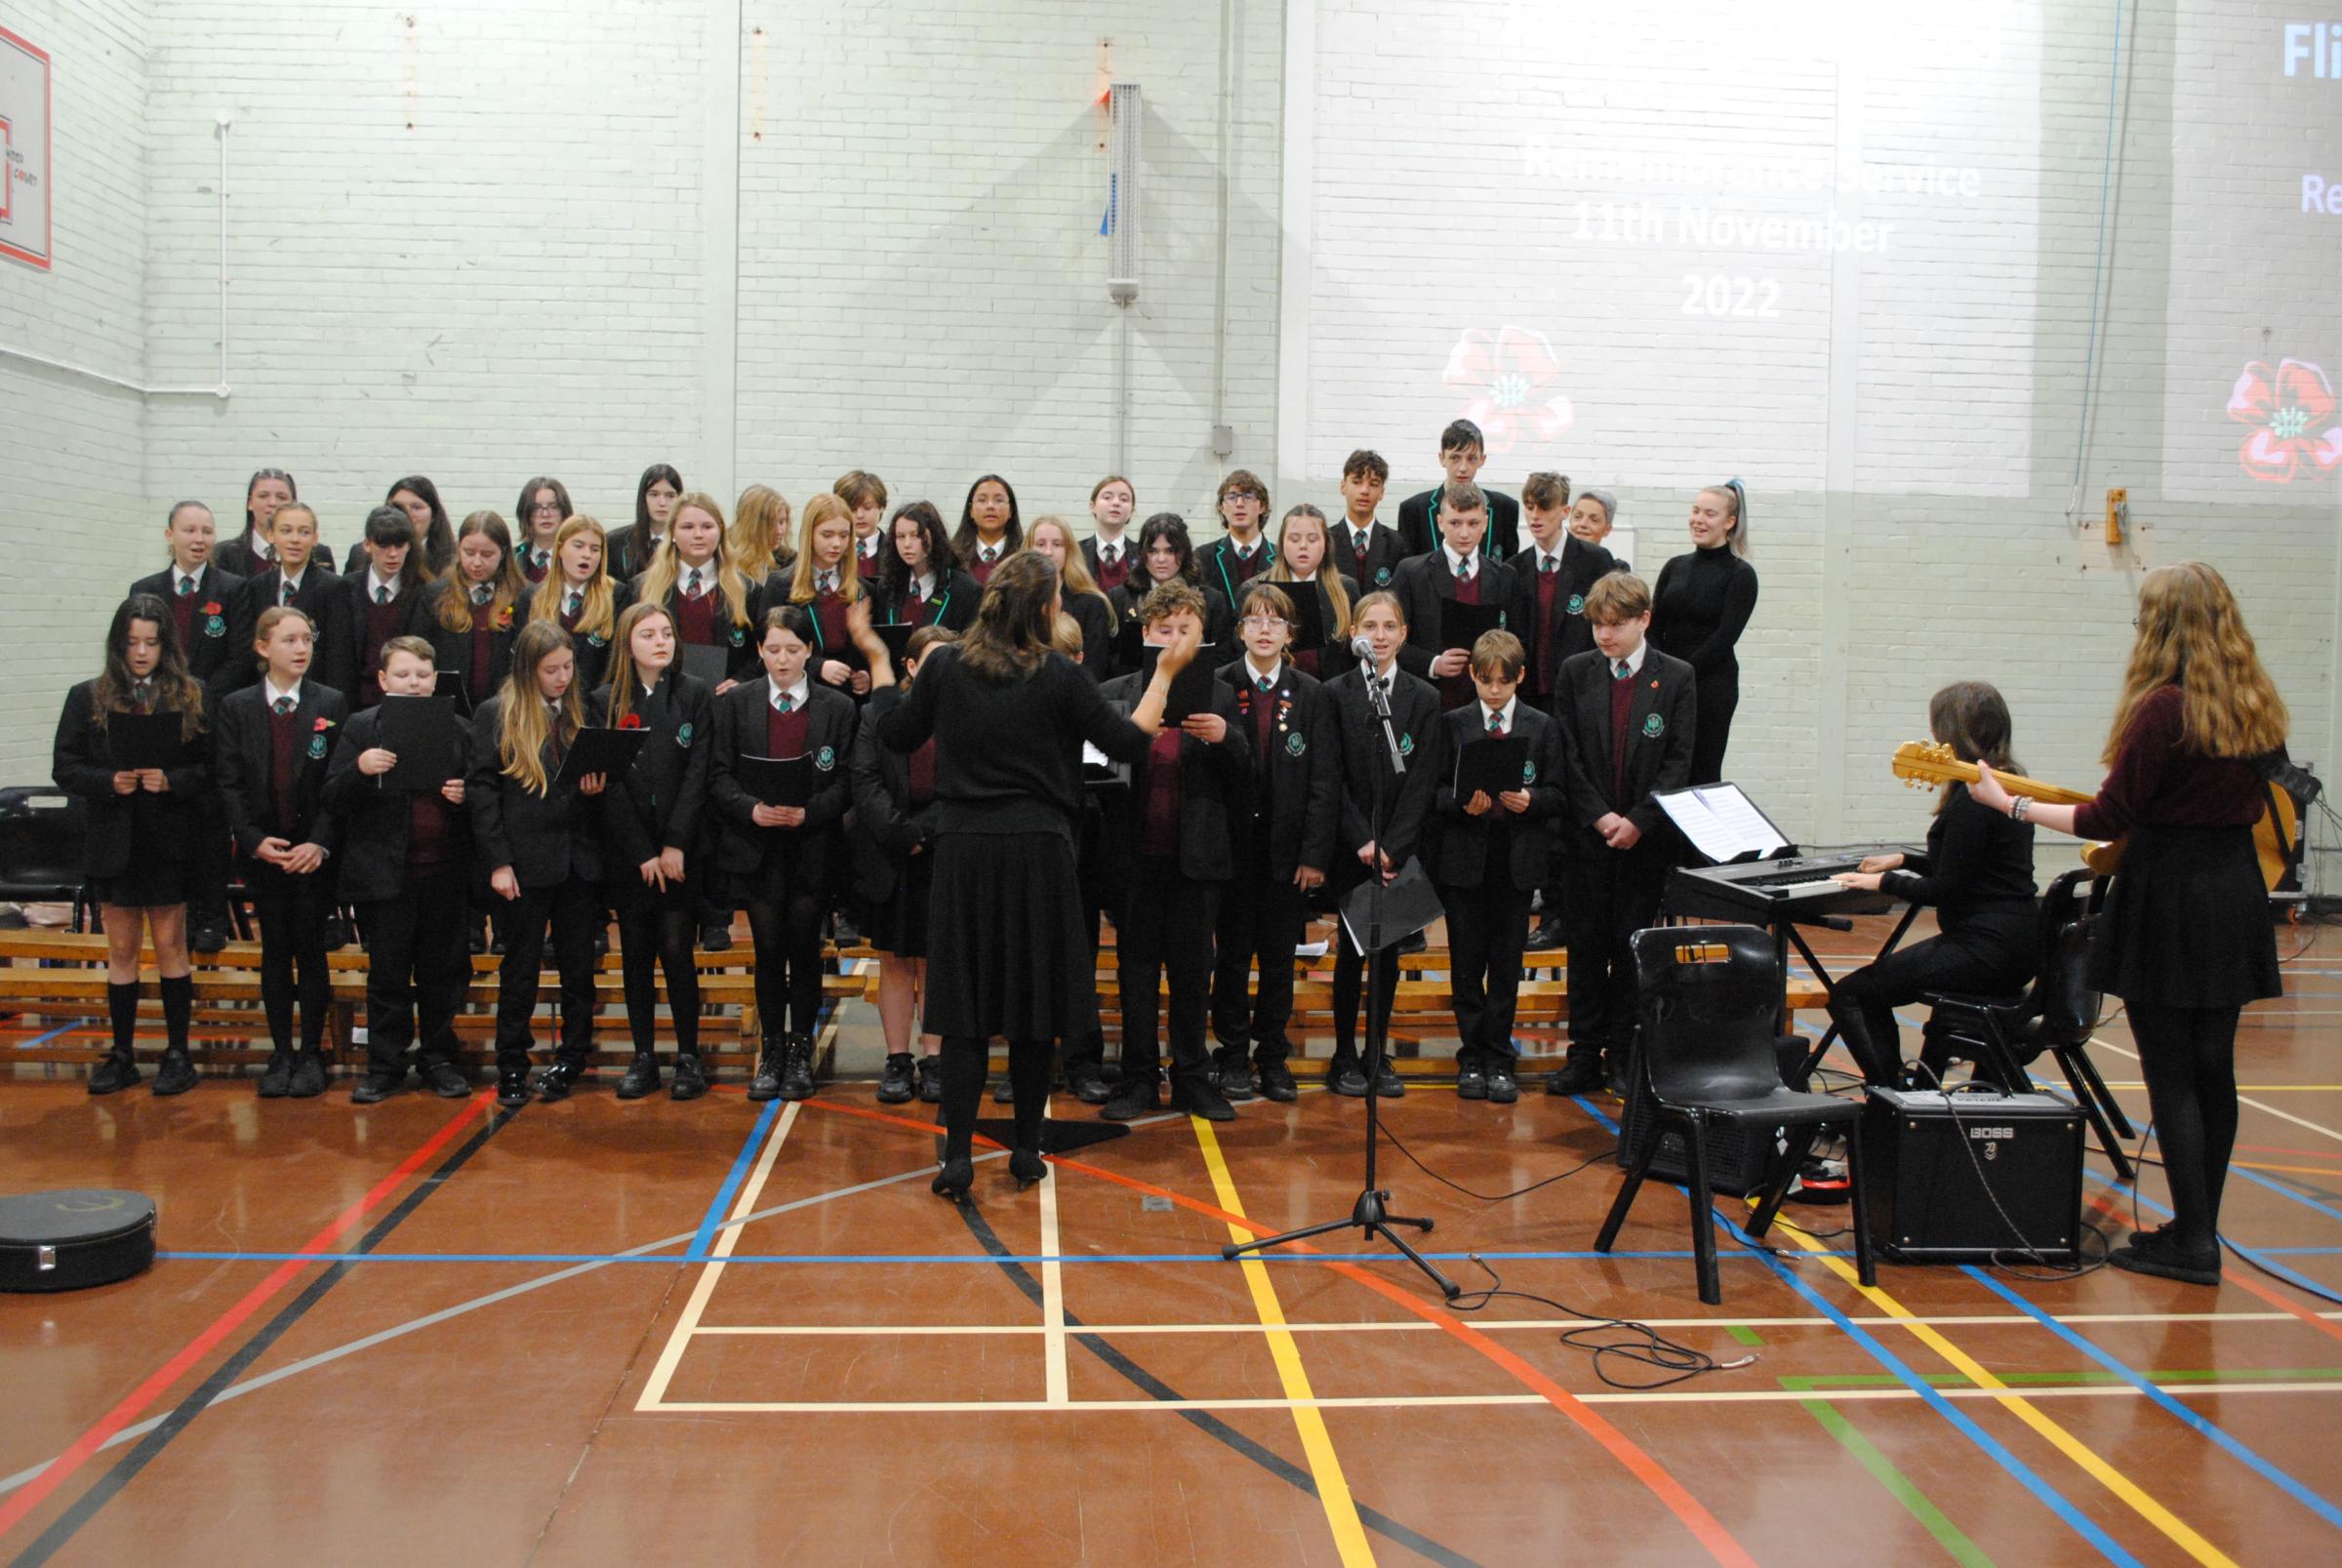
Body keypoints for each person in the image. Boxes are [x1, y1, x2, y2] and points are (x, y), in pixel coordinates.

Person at [1971, 562, 2287, 1287]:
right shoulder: (2252, 699)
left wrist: (2009, 803)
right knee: (2215, 1067)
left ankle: (2195, 1242)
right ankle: (2197, 1223)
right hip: (2233, 891)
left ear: (2161, 626)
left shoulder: (2163, 709)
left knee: (2170, 1073)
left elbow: (2107, 817)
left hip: (2171, 893)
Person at [849, 552, 1199, 1199]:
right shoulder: (1058, 675)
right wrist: (1167, 672)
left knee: (964, 1010)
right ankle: (1027, 1151)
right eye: (1058, 597)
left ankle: (957, 1156)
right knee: (1034, 1009)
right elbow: (1128, 741)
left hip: (962, 853)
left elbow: (895, 733)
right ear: (1042, 608)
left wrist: (877, 655)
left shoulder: (946, 665)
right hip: (1039, 853)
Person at [1827, 683, 2038, 1088]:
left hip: (1986, 947)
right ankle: (1911, 1092)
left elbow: (1947, 890)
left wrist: (1882, 882)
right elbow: (1977, 868)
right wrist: (1905, 860)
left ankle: (1892, 1097)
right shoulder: (2007, 782)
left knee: (1851, 994)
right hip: (2018, 940)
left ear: (1952, 734)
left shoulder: (1975, 798)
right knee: (1872, 986)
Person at [1096, 581, 1251, 1122]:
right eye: (1166, 631)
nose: (1177, 640)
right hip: (1134, 858)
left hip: (1198, 858)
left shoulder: (1224, 695)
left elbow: (1246, 780)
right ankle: (1138, 1077)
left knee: (1192, 973)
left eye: (1188, 631)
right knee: (1136, 972)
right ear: (1146, 635)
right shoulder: (1118, 692)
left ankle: (1191, 1077)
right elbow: (1099, 775)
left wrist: (1225, 737)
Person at [53, 596, 213, 1096]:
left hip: (167, 838)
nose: (141, 653)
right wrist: (108, 781)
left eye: (150, 642)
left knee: (170, 945)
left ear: (166, 645)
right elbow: (66, 766)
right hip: (113, 837)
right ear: (117, 645)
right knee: (122, 949)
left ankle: (177, 1054)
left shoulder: (191, 694)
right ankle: (121, 1053)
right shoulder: (88, 696)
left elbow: (210, 768)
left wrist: (173, 780)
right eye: (131, 643)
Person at [1546, 573, 1697, 1099]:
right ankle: (1582, 1055)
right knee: (1585, 951)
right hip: (1588, 840)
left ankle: (1625, 1055)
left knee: (1632, 951)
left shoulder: (1676, 677)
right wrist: (1600, 816)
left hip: (1644, 842)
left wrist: (1638, 819)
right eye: (1597, 626)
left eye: (1616, 625)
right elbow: (1565, 754)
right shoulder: (1575, 672)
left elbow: (1679, 761)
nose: (1604, 636)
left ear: (1644, 621)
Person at [707, 605, 859, 1101]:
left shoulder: (837, 707)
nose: (782, 659)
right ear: (759, 652)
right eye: (772, 650)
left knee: (805, 950)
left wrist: (808, 813)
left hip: (811, 846)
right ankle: (771, 1049)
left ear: (810, 652)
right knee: (768, 953)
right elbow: (719, 775)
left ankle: (800, 1051)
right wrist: (751, 809)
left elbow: (846, 783)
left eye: (793, 650)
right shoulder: (737, 703)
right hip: (757, 846)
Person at [325, 637, 479, 1103]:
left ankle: (437, 1058)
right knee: (387, 975)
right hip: (385, 876)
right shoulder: (360, 727)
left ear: (435, 680)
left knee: (441, 973)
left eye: (422, 675)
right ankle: (385, 1065)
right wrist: (359, 768)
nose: (414, 683)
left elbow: (484, 798)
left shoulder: (458, 730)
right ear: (383, 680)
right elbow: (331, 796)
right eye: (404, 675)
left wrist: (464, 796)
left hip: (444, 874)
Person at [1209, 583, 1339, 1103]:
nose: (1265, 629)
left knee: (1279, 960)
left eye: (1275, 621)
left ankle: (1273, 1056)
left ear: (1289, 633)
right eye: (1255, 620)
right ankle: (1234, 1056)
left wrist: (1313, 854)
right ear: (1240, 630)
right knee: (1234, 958)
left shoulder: (1311, 693)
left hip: (1288, 854)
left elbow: (1324, 781)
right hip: (1234, 850)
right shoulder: (1220, 684)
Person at [1425, 630, 1565, 1104]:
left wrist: (1532, 800)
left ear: (1521, 677)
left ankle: (1500, 1058)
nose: (1494, 691)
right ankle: (1472, 1056)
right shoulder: (1454, 723)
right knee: (1466, 965)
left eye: (1504, 681)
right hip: (1465, 862)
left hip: (1517, 863)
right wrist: (1462, 803)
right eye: (1486, 681)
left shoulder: (1542, 726)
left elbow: (1558, 794)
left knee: (1507, 966)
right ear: (1473, 676)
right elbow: (1435, 791)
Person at [214, 607, 347, 1098]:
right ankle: (280, 1051)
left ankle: (311, 1053)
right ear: (262, 646)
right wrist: (252, 839)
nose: (300, 648)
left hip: (311, 852)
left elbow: (338, 782)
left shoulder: (330, 701)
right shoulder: (237, 706)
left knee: (312, 951)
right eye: (289, 639)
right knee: (275, 952)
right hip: (264, 853)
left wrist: (319, 841)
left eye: (307, 639)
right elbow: (228, 782)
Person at [471, 621, 607, 1105]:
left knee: (578, 969)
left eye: (568, 667)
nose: (562, 678)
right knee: (520, 967)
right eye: (551, 670)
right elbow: (484, 794)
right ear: (528, 671)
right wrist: (498, 862)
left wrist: (596, 787)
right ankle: (512, 1062)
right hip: (525, 862)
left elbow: (592, 778)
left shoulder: (582, 707)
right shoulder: (497, 713)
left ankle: (572, 1055)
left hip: (577, 861)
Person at [1322, 590, 1444, 1098]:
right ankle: (1344, 1053)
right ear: (1354, 634)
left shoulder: (1424, 698)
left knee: (1389, 955)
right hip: (1354, 848)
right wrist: (1363, 842)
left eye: (1389, 626)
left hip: (1399, 849)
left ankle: (1377, 1050)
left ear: (1403, 634)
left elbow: (1421, 781)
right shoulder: (1335, 693)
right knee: (1353, 955)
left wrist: (1393, 845)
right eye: (1369, 626)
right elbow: (1332, 778)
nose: (1379, 635)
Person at [593, 601, 715, 1103]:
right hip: (631, 854)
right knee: (637, 953)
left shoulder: (695, 695)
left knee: (677, 950)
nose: (661, 641)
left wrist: (673, 845)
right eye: (649, 635)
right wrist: (642, 851)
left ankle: (688, 1054)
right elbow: (609, 783)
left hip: (680, 852)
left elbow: (698, 774)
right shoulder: (604, 700)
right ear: (629, 644)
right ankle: (643, 1055)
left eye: (667, 632)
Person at [1510, 471, 1622, 952]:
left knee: (1572, 804)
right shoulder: (1514, 567)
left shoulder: (1595, 561)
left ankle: (1564, 911)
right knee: (1534, 809)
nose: (1535, 516)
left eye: (1545, 507)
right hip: (1529, 700)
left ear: (1564, 510)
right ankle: (1542, 905)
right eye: (1528, 508)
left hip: (1575, 702)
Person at [131, 501, 247, 954]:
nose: (199, 539)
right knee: (164, 824)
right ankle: (169, 914)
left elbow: (240, 658)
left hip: (211, 721)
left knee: (210, 823)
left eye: (207, 531)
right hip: (157, 720)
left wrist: (196, 698)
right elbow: (134, 650)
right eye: (189, 530)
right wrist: (166, 701)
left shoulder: (233, 588)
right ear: (169, 535)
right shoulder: (145, 589)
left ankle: (211, 916)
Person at [851, 626, 956, 1105]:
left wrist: (925, 831)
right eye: (931, 660)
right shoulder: (878, 712)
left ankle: (933, 1055)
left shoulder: (965, 715)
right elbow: (865, 779)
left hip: (943, 849)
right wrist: (899, 832)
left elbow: (967, 782)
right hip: (888, 851)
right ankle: (897, 1059)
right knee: (894, 961)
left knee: (935, 959)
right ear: (910, 667)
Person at [1649, 481, 1757, 785]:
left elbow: (1724, 638)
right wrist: (1661, 673)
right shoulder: (1675, 567)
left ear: (1729, 522)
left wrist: (1680, 675)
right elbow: (1654, 625)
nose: (1698, 519)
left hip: (1710, 686)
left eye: (1709, 514)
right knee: (1661, 768)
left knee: (1701, 770)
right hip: (1665, 682)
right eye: (1695, 511)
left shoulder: (1741, 575)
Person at [1393, 481, 1516, 711]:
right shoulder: (1410, 573)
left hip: (1487, 704)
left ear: (1486, 523)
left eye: (1473, 523)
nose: (1464, 533)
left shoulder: (1505, 577)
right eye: (1455, 523)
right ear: (1440, 523)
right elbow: (1393, 641)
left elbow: (1517, 640)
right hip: (1429, 701)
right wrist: (1433, 663)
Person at [636, 490, 762, 688]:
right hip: (663, 696)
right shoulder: (643, 587)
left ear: (720, 531)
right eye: (687, 527)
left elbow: (759, 652)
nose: (698, 534)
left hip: (723, 700)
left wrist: (741, 681)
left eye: (707, 526)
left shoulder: (748, 590)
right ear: (673, 533)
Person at [222, 502, 348, 698]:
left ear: (315, 538)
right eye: (286, 531)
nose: (295, 539)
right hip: (266, 695)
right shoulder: (257, 586)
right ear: (271, 535)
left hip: (315, 695)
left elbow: (338, 658)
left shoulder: (333, 587)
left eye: (304, 532)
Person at [421, 510, 529, 711]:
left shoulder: (523, 596)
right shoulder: (436, 594)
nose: (477, 562)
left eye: (487, 555)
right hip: (449, 707)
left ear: (503, 552)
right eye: (469, 553)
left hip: (505, 707)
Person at [339, 505, 434, 709]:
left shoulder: (423, 593)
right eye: (383, 545)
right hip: (354, 704)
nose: (392, 554)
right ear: (367, 545)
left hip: (405, 703)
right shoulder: (345, 589)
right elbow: (338, 658)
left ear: (409, 546)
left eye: (399, 545)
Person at [1108, 514, 1233, 659]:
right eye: (1153, 551)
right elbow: (1111, 657)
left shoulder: (1212, 600)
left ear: (1184, 552)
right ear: (1142, 553)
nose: (1161, 559)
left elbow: (1221, 659)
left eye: (1170, 551)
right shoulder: (1120, 598)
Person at [530, 513, 626, 696]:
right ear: (559, 549)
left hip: (595, 705)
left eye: (595, 549)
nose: (587, 555)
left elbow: (618, 664)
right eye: (578, 546)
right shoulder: (532, 596)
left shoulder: (618, 595)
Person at [785, 493, 870, 699]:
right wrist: (816, 666)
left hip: (849, 699)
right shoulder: (782, 585)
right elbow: (767, 651)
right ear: (809, 534)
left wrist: (867, 676)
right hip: (802, 694)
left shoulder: (862, 589)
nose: (837, 544)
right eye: (827, 535)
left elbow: (870, 649)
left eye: (844, 535)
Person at [1396, 419, 1520, 560]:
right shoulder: (1413, 510)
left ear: (1482, 460)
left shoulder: (1505, 508)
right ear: (1442, 458)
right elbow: (1407, 571)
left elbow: (1509, 571)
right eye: (1455, 458)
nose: (1463, 468)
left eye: (1471, 459)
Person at [1263, 503, 1359, 681]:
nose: (1303, 546)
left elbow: (1352, 657)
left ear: (1326, 544)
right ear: (1282, 543)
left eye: (1313, 539)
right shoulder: (1260, 589)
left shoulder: (1347, 589)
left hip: (1331, 691)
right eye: (1294, 539)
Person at [1022, 516, 1116, 677]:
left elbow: (1094, 669)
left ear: (1069, 551)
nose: (1048, 552)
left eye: (1057, 544)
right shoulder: (1017, 601)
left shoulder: (1092, 603)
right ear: (1028, 550)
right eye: (1040, 544)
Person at [876, 501, 977, 633]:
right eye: (900, 536)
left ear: (934, 537)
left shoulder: (965, 590)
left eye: (916, 535)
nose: (907, 544)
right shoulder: (888, 586)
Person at [215, 468, 334, 577]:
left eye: (281, 497)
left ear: (294, 503)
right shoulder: (223, 555)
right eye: (263, 496)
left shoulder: (320, 555)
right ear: (250, 503)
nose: (272, 503)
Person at [1330, 449, 1404, 591]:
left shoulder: (1396, 543)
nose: (1364, 490)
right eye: (1357, 482)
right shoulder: (1326, 541)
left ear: (1382, 492)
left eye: (1374, 484)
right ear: (1343, 486)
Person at [1198, 469, 1274, 606]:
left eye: (1248, 496)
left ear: (1262, 506)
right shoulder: (1203, 557)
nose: (1239, 503)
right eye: (1231, 496)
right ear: (1221, 507)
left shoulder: (1281, 558)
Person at [607, 462, 684, 583]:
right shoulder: (614, 542)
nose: (662, 502)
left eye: (670, 496)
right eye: (654, 494)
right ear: (643, 498)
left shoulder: (687, 542)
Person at [378, 475, 459, 577]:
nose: (406, 514)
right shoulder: (361, 554)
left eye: (416, 507)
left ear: (434, 514)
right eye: (398, 507)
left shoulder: (454, 557)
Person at [951, 473, 1023, 586]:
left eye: (999, 500)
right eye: (982, 500)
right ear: (971, 510)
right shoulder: (953, 556)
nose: (990, 506)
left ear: (1010, 511)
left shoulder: (1023, 556)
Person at [731, 483, 798, 586]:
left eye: (782, 522)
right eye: (770, 524)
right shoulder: (723, 556)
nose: (779, 531)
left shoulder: (789, 561)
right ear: (752, 525)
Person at [1083, 475, 1138, 596]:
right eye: (1107, 497)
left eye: (1124, 499)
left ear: (1132, 512)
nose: (1116, 503)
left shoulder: (1143, 555)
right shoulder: (1076, 552)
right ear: (1092, 506)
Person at [513, 475, 574, 583]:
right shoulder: (513, 559)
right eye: (536, 508)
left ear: (564, 512)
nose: (545, 514)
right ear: (525, 514)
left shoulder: (576, 557)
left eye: (553, 507)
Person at [836, 469, 890, 582]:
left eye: (867, 508)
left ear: (882, 507)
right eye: (852, 509)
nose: (860, 515)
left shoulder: (895, 551)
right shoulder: (832, 551)